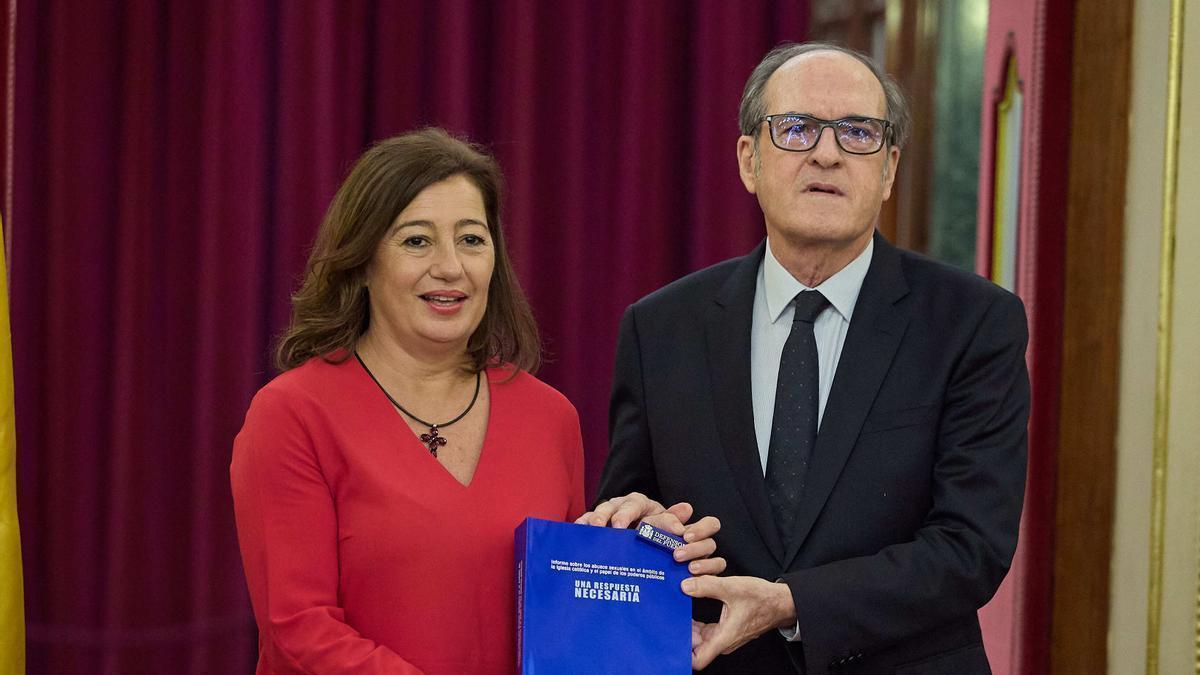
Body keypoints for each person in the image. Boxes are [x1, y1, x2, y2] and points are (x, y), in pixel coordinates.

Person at [584, 43, 1030, 674]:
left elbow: (970, 547)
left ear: (889, 169)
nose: (827, 153)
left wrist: (791, 603)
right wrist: (643, 530)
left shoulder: (972, 322)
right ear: (749, 159)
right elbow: (633, 517)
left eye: (858, 133)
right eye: (795, 129)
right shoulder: (661, 328)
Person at [230, 128, 724, 674]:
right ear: (363, 261)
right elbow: (299, 628)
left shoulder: (549, 416)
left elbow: (560, 616)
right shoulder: (293, 414)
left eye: (471, 239)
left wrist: (643, 560)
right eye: (416, 240)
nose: (451, 267)